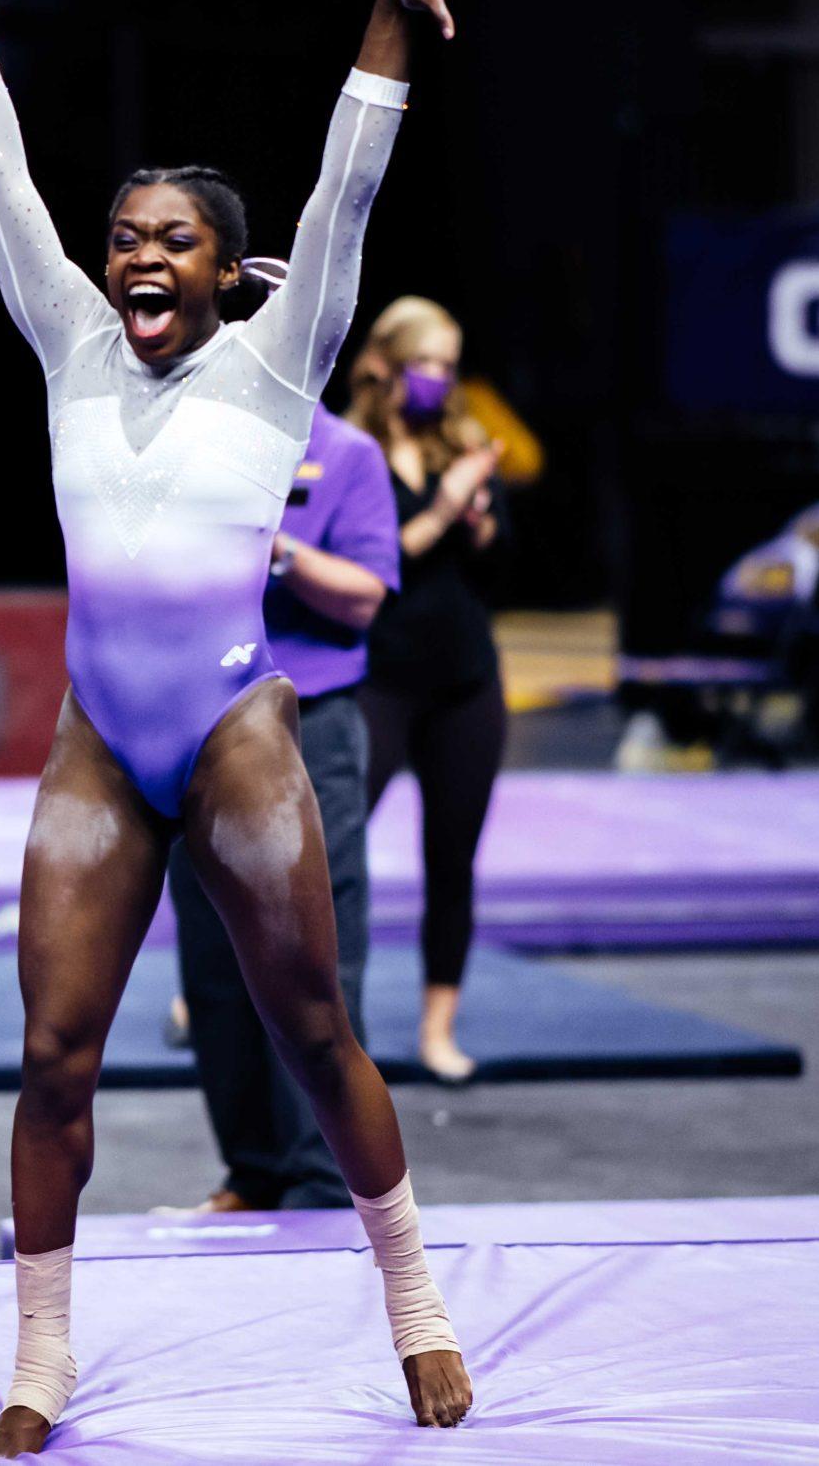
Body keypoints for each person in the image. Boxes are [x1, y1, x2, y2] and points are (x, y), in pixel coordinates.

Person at [0, 0, 540, 1454]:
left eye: (174, 242)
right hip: (98, 740)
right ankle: (40, 1359)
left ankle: (416, 1300)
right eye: (126, 236)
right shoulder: (71, 339)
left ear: (224, 268)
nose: (139, 257)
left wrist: (390, 18)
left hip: (233, 728)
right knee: (54, 1053)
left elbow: (347, 197)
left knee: (315, 1031)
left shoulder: (280, 362)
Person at [167, 406, 400, 1212]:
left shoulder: (348, 453)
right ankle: (255, 1169)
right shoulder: (184, 438)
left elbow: (366, 598)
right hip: (198, 714)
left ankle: (319, 1177)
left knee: (315, 953)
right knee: (210, 954)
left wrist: (278, 551)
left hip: (310, 722)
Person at [345, 297, 508, 1086]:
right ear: (386, 364)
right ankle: (246, 989)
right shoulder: (352, 450)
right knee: (324, 850)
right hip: (376, 676)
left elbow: (495, 551)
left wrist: (478, 518)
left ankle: (438, 1027)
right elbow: (376, 563)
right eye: (427, 364)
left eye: (450, 365)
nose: (441, 380)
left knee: (454, 858)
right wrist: (445, 511)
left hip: (464, 678)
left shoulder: (464, 441)